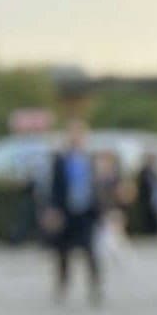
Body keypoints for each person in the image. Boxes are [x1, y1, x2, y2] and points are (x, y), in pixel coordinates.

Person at [42, 118, 105, 305]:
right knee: (62, 252)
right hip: (66, 211)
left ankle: (95, 287)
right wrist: (53, 209)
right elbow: (53, 187)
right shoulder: (60, 160)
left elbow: (98, 187)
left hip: (86, 211)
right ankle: (62, 285)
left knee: (90, 251)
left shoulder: (90, 159)